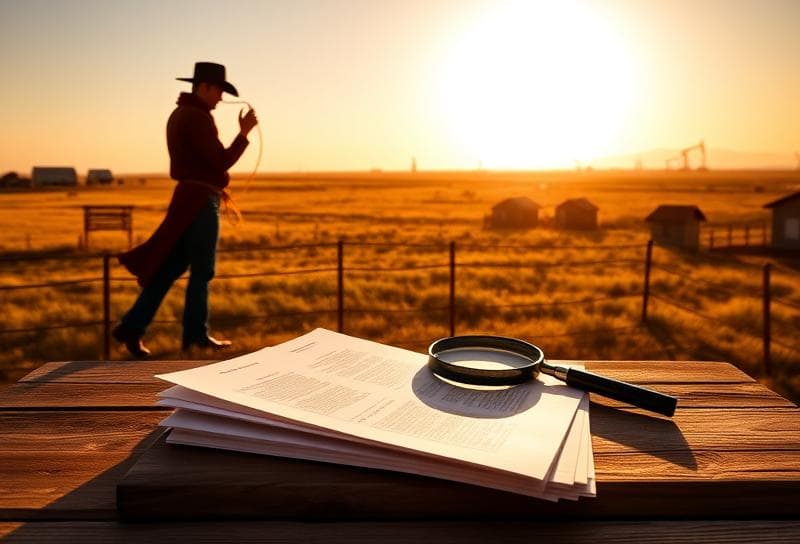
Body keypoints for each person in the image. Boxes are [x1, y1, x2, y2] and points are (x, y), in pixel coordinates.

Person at [112, 62, 258, 358]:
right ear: (204, 87)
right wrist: (243, 134)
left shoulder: (180, 114)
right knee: (203, 271)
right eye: (218, 91)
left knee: (168, 269)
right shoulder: (198, 118)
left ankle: (131, 327)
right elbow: (220, 162)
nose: (220, 99)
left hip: (188, 197)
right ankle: (195, 337)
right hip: (200, 201)